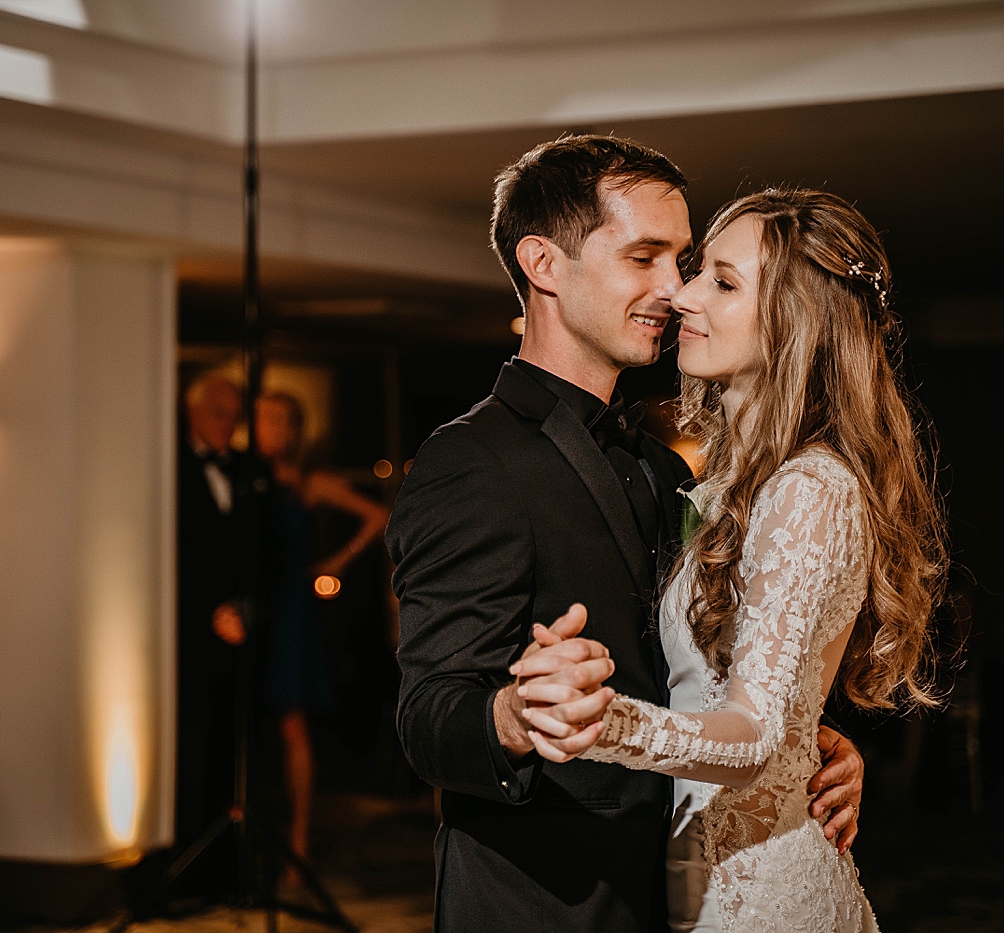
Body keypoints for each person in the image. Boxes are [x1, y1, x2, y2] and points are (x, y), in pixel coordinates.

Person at [387, 137, 864, 932]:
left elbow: (696, 668)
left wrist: (801, 742)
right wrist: (513, 714)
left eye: (682, 261)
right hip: (545, 900)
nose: (674, 290)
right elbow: (428, 712)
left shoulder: (666, 468)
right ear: (544, 263)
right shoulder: (470, 460)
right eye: (645, 257)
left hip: (679, 892)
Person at [515, 188, 947, 932]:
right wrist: (808, 737)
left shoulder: (811, 488)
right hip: (690, 877)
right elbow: (747, 697)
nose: (681, 293)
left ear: (794, 322)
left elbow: (752, 734)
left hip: (762, 898)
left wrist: (603, 722)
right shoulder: (727, 485)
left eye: (721, 279)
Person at [254, 391, 388, 876]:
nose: (276, 429)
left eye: (286, 421)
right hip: (252, 613)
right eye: (268, 419)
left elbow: (379, 517)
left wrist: (337, 563)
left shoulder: (307, 482)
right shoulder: (245, 477)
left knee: (293, 728)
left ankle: (299, 838)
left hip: (291, 614)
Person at [174, 369, 267, 891]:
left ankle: (234, 866)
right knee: (191, 750)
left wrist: (248, 608)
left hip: (244, 636)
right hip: (188, 637)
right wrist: (206, 611)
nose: (227, 424)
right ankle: (190, 865)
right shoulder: (168, 465)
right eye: (218, 412)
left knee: (239, 750)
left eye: (234, 415)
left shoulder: (250, 470)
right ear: (193, 412)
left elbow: (264, 552)